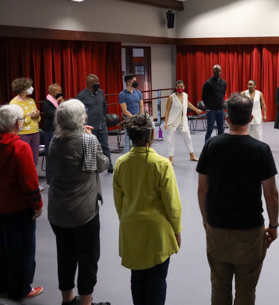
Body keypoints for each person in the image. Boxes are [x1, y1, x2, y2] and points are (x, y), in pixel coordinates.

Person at [197, 93, 279, 304]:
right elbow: (271, 195)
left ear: (227, 118)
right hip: (250, 232)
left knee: (219, 289)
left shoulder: (211, 146)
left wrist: (206, 221)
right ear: (251, 119)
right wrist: (273, 225)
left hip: (217, 228)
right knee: (246, 292)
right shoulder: (261, 150)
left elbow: (202, 189)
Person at [113, 114, 182, 305]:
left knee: (137, 278)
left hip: (131, 228)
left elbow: (119, 202)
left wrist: (127, 220)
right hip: (157, 233)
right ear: (151, 135)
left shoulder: (120, 163)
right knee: (157, 280)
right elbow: (172, 204)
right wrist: (176, 231)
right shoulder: (161, 164)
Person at [48, 100, 110, 305]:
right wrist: (90, 138)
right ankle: (86, 302)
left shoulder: (54, 140)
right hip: (83, 211)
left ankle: (68, 299)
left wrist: (82, 134)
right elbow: (102, 165)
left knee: (65, 256)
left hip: (58, 211)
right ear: (78, 120)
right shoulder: (88, 141)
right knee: (87, 258)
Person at [0, 104, 43, 301]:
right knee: (23, 249)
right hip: (18, 208)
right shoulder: (20, 147)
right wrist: (37, 206)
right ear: (18, 124)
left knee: (2, 248)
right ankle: (21, 289)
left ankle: (2, 285)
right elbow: (29, 182)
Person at [77, 74, 113, 173]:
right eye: (96, 82)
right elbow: (78, 111)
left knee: (105, 146)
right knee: (90, 148)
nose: (98, 84)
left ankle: (109, 166)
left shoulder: (101, 93)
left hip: (102, 124)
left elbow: (104, 105)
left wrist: (103, 118)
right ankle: (91, 168)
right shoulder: (81, 96)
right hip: (90, 127)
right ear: (90, 84)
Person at [163, 80, 202, 165]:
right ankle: (171, 159)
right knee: (170, 140)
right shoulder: (171, 97)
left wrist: (196, 110)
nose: (180, 88)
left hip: (183, 120)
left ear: (184, 87)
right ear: (175, 88)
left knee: (187, 138)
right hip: (172, 121)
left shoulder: (185, 96)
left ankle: (191, 155)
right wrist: (166, 122)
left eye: (181, 86)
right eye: (178, 87)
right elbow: (167, 110)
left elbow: (188, 104)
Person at [9, 77, 41, 166]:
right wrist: (30, 117)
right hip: (23, 134)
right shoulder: (14, 103)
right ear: (23, 89)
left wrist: (37, 115)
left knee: (34, 160)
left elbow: (38, 119)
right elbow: (17, 123)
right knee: (24, 160)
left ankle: (32, 179)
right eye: (29, 86)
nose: (31, 88)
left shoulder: (31, 101)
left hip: (35, 132)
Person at [42, 83, 64, 184]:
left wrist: (62, 103)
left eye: (60, 91)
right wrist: (60, 106)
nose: (60, 93)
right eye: (58, 92)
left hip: (60, 130)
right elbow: (52, 114)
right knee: (50, 154)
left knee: (60, 154)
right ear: (51, 93)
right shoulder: (47, 103)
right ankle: (50, 178)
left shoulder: (60, 102)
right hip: (50, 131)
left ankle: (60, 175)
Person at [119, 74, 144, 153]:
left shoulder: (138, 92)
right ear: (129, 82)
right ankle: (127, 157)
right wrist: (133, 119)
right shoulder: (122, 94)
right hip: (129, 120)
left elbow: (141, 106)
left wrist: (141, 116)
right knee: (128, 140)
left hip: (138, 119)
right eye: (134, 81)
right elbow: (124, 110)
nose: (136, 82)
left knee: (139, 140)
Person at [202, 64, 227, 140]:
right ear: (213, 71)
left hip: (221, 110)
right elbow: (203, 97)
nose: (218, 73)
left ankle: (220, 146)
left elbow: (222, 94)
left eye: (219, 71)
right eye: (216, 71)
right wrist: (209, 106)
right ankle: (207, 147)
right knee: (209, 129)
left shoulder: (224, 83)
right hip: (211, 110)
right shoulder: (208, 83)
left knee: (221, 129)